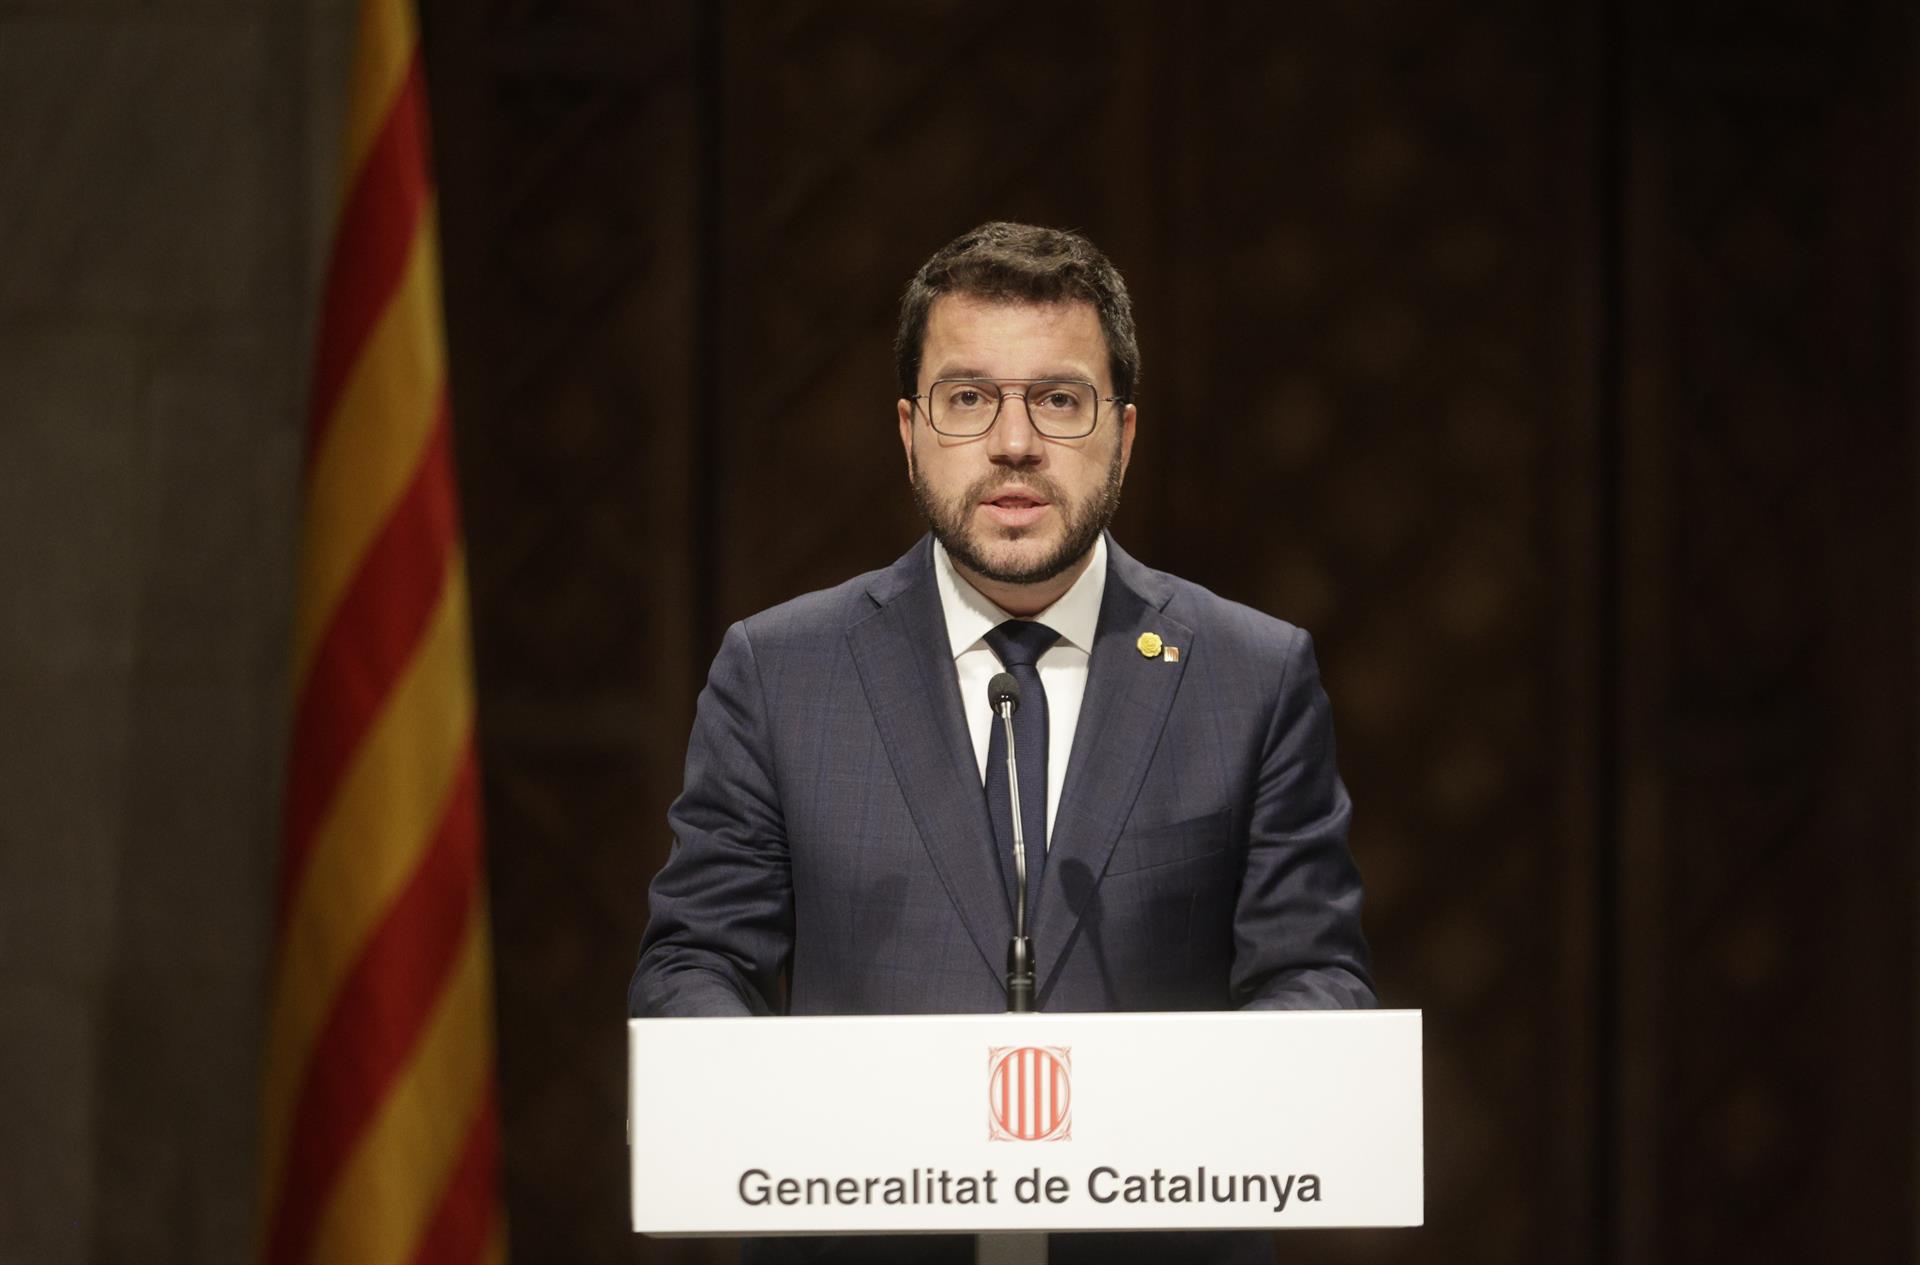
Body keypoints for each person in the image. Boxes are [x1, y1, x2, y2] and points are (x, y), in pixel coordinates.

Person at [631, 222, 1373, 1264]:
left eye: (1058, 400)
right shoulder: (781, 671)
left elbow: (1315, 975)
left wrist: (1206, 1106)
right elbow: (698, 958)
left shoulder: (1248, 674)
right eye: (968, 397)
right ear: (908, 429)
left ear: (1122, 434)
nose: (1013, 441)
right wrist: (781, 1111)